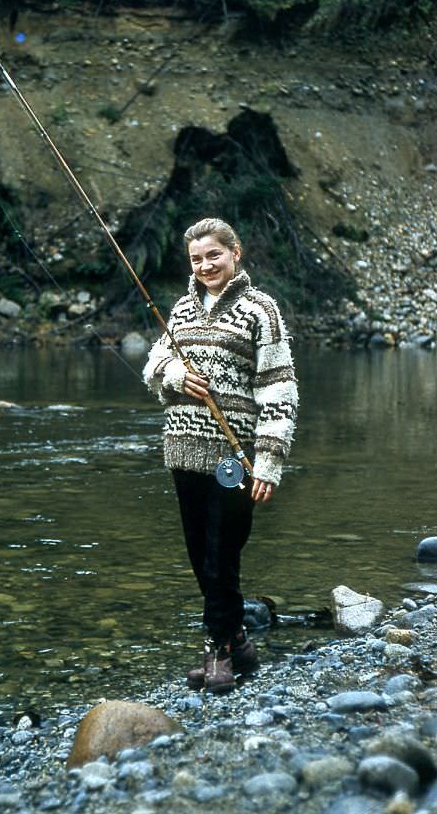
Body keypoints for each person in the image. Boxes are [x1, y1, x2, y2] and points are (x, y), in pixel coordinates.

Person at [143, 217, 298, 694]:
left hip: (237, 457)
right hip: (183, 450)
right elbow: (154, 362)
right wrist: (173, 375)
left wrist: (269, 461)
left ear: (236, 253)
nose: (206, 265)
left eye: (214, 255)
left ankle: (217, 652)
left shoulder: (260, 310)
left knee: (222, 551)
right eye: (197, 258)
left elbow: (279, 389)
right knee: (199, 554)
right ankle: (238, 641)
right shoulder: (183, 308)